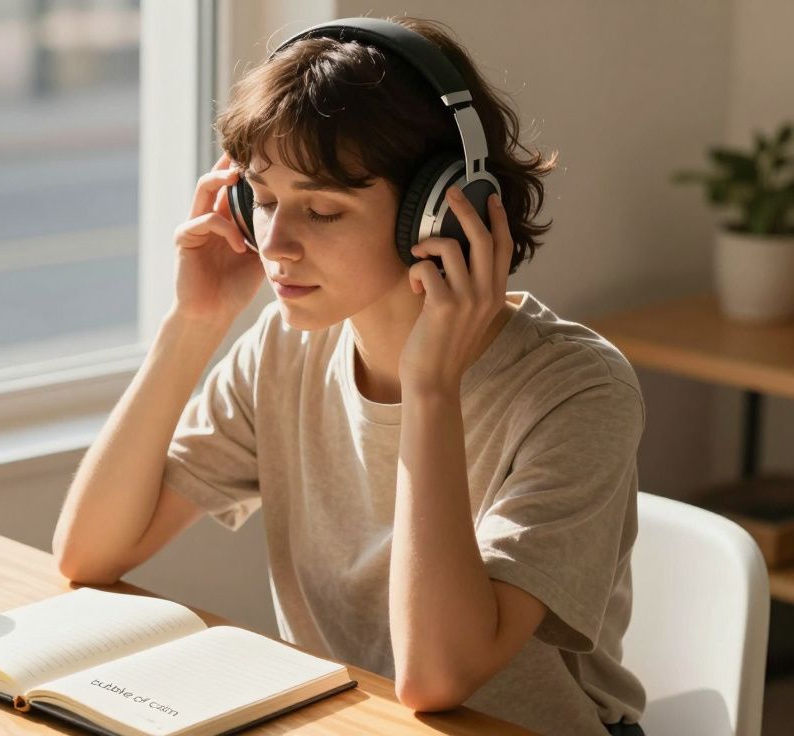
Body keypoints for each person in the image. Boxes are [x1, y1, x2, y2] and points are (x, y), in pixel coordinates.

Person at [52, 15, 647, 736]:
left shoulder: (577, 390)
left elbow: (435, 678)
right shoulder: (285, 348)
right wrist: (194, 325)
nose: (274, 244)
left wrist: (430, 390)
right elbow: (89, 553)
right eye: (263, 200)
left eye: (323, 209)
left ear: (441, 213)